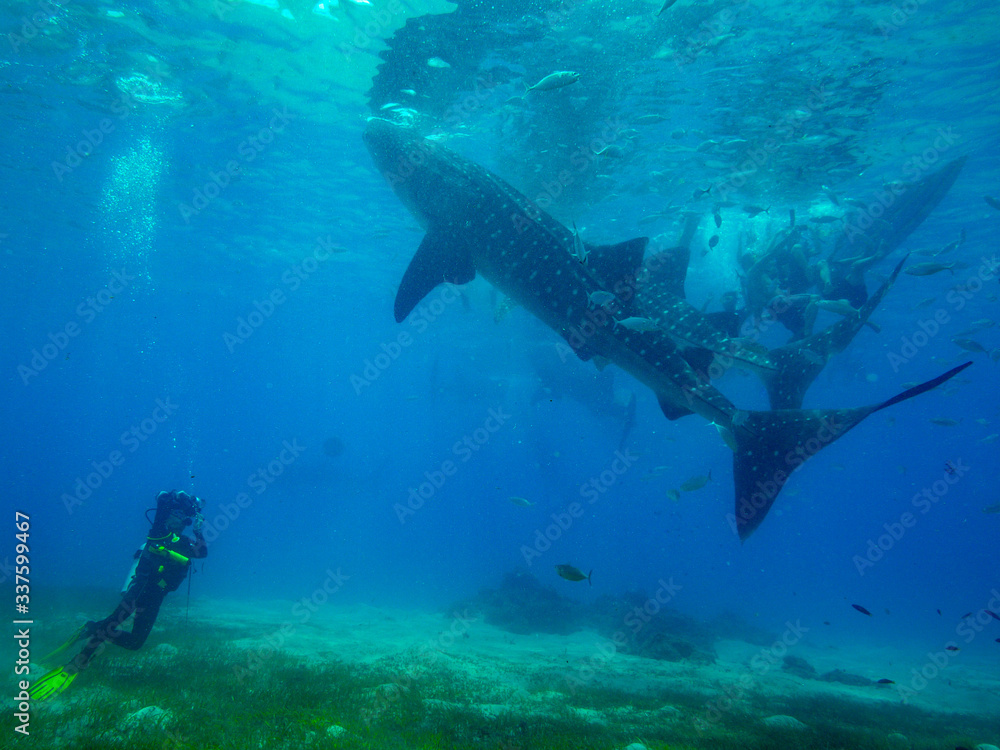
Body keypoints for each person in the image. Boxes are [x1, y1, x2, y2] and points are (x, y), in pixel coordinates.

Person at [32, 490, 208, 700]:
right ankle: (77, 663)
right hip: (139, 591)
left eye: (181, 518)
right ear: (167, 517)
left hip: (156, 597)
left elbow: (202, 552)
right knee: (111, 626)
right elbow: (161, 500)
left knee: (135, 643)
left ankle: (92, 627)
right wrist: (177, 496)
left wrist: (198, 531)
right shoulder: (159, 532)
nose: (176, 520)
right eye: (174, 515)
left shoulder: (184, 542)